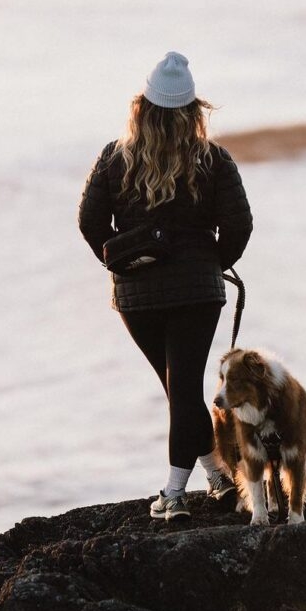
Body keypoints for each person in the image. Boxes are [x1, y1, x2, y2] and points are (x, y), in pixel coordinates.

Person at [78, 51, 254, 521]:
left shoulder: (115, 158)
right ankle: (205, 483)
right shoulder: (214, 160)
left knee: (181, 391)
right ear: (194, 110)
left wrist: (121, 262)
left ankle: (185, 490)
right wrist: (215, 263)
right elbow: (239, 225)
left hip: (137, 298)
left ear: (142, 107)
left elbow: (90, 221)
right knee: (183, 391)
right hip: (198, 293)